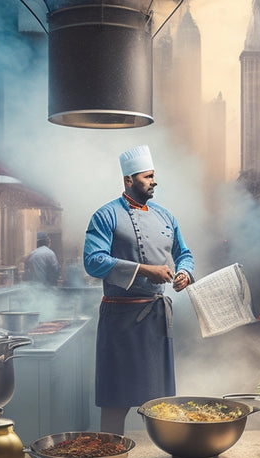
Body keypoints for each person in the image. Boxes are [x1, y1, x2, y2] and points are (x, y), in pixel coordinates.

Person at [83, 144, 195, 435]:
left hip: (155, 320)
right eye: (147, 177)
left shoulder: (166, 216)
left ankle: (160, 457)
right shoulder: (105, 215)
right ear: (128, 180)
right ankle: (110, 453)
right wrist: (145, 270)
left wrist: (184, 272)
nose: (153, 181)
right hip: (120, 320)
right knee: (115, 401)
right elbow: (93, 262)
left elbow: (184, 253)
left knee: (158, 401)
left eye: (153, 176)